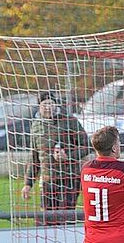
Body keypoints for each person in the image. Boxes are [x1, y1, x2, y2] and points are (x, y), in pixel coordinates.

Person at [22, 91, 90, 225]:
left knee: (66, 219)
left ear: (55, 105)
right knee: (46, 220)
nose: (48, 107)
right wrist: (28, 183)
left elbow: (87, 145)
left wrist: (68, 156)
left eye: (50, 104)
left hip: (69, 179)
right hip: (48, 180)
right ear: (39, 106)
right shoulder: (36, 125)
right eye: (44, 104)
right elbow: (34, 158)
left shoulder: (69, 120)